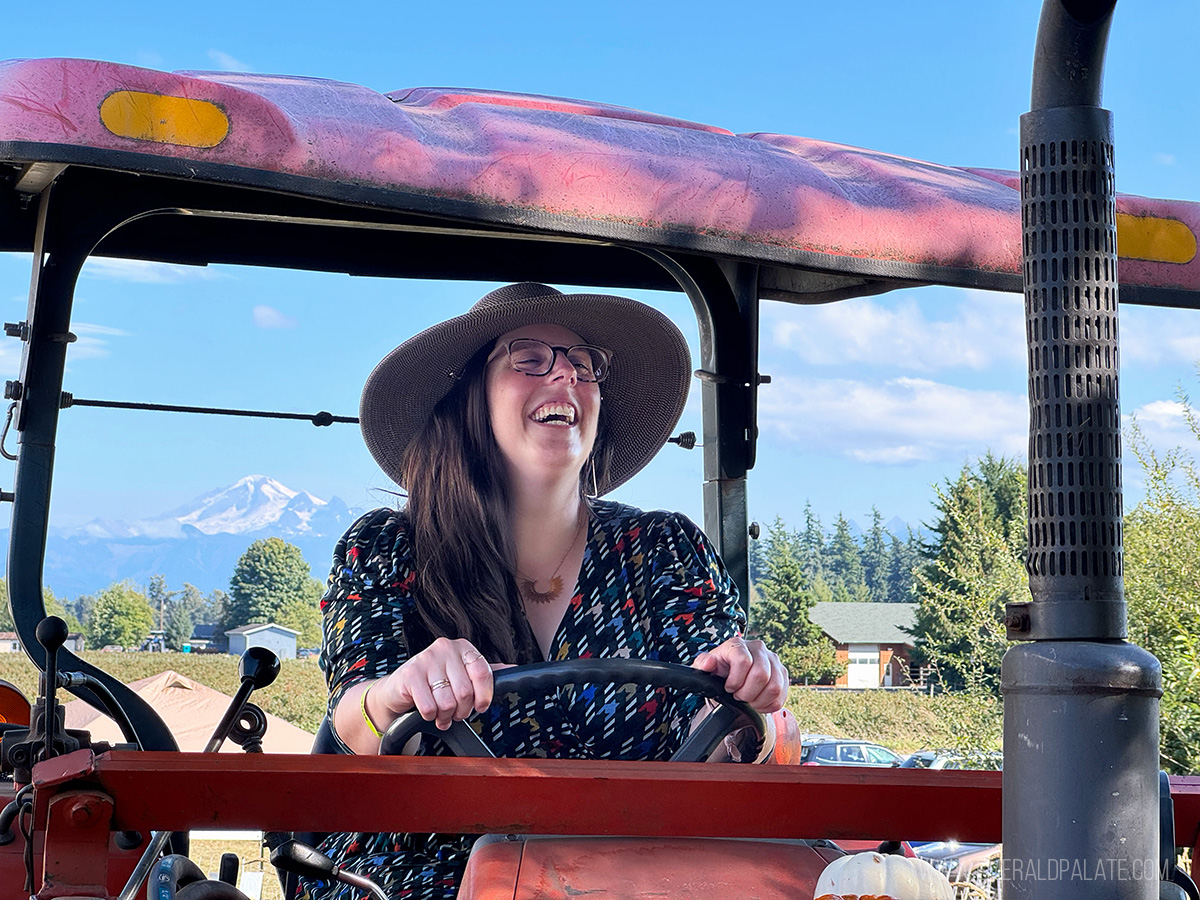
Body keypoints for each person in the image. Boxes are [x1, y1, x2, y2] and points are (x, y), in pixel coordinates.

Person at [302, 282, 788, 900]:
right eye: (528, 359)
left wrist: (749, 695)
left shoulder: (663, 550)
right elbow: (353, 721)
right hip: (431, 875)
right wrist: (400, 691)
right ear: (469, 398)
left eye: (584, 366)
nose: (565, 377)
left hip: (633, 875)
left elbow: (722, 725)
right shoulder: (387, 549)